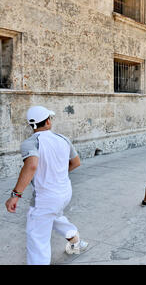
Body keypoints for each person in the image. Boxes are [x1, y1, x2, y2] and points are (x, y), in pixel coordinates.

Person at [5, 106, 88, 265]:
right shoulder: (63, 138)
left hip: (46, 198)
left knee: (37, 241)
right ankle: (76, 242)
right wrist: (58, 174)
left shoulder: (30, 143)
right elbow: (76, 162)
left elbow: (31, 166)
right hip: (64, 193)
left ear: (31, 125)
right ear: (48, 121)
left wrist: (15, 196)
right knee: (55, 216)